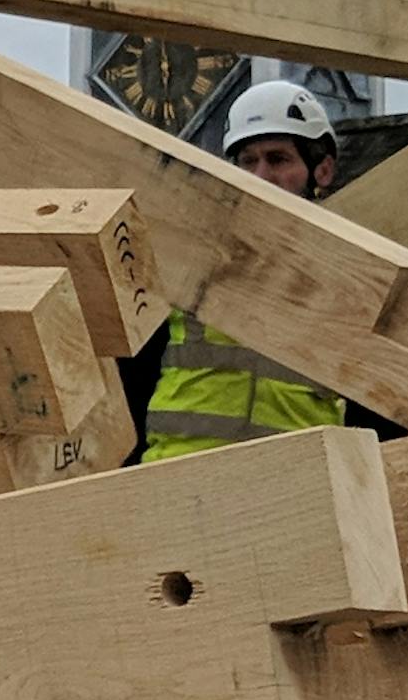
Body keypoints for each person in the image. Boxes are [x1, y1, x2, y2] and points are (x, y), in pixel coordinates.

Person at [138, 77, 379, 455]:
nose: (260, 177)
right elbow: (133, 373)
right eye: (248, 161)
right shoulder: (192, 260)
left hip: (296, 485)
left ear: (323, 171)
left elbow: (378, 403)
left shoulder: (346, 279)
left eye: (278, 159)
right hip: (180, 476)